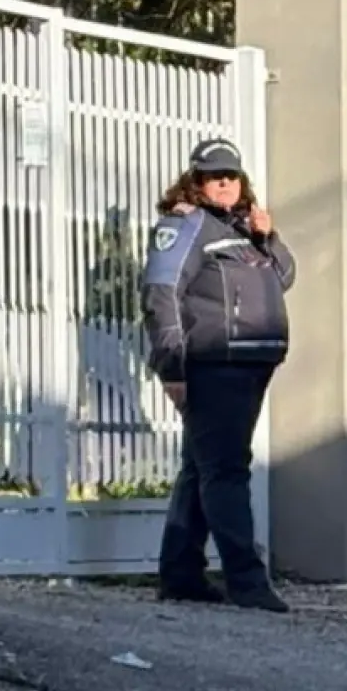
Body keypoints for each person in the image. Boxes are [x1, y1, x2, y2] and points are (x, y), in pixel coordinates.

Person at [143, 138, 297, 612]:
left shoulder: (243, 228)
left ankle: (181, 574)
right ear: (197, 181)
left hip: (251, 364)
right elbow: (160, 292)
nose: (226, 183)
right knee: (226, 471)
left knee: (201, 468)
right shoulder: (186, 226)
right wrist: (172, 366)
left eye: (232, 175)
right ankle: (247, 582)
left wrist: (267, 237)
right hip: (216, 364)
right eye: (215, 176)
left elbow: (285, 276)